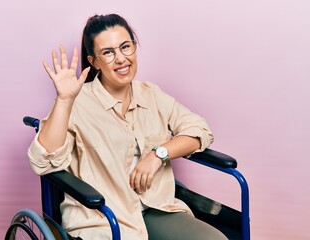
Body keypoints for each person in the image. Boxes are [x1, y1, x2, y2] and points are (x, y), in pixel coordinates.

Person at [28, 13, 228, 240]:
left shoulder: (151, 95)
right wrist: (64, 101)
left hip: (156, 209)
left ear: (135, 47)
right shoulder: (77, 102)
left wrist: (158, 154)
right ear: (94, 61)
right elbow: (43, 162)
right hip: (103, 218)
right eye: (108, 52)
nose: (121, 59)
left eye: (125, 47)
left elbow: (199, 129)